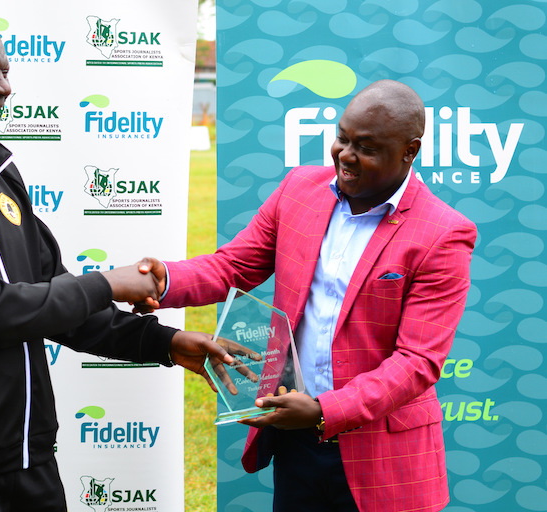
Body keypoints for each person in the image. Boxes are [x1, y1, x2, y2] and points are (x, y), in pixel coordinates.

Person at [0, 11, 236, 512]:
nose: (5, 87)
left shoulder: (0, 175)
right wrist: (107, 282)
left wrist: (165, 342)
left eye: (7, 72)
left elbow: (56, 300)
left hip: (28, 465)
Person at [137, 80, 477, 511]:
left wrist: (322, 410)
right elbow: (234, 266)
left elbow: (417, 363)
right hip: (296, 440)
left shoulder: (443, 233)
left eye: (366, 147)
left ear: (409, 151)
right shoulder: (299, 190)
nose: (346, 156)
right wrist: (163, 280)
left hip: (384, 456)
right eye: (342, 138)